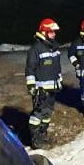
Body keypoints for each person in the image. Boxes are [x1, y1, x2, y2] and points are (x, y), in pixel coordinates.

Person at [24, 18, 63, 147]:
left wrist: (59, 80)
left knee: (48, 113)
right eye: (51, 32)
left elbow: (57, 68)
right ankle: (35, 139)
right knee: (38, 115)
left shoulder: (54, 48)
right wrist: (32, 86)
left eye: (54, 32)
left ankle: (42, 134)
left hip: (53, 89)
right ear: (44, 32)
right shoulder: (36, 49)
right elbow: (30, 69)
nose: (54, 34)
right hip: (40, 90)